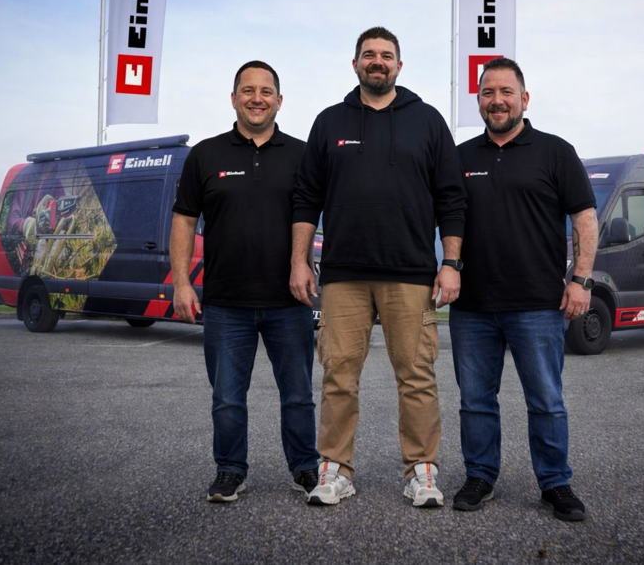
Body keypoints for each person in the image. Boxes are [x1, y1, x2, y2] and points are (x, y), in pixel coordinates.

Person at [290, 27, 467, 508]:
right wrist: (300, 261)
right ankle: (335, 470)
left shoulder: (427, 121)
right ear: (355, 65)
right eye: (369, 55)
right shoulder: (329, 122)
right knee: (338, 374)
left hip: (410, 273)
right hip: (343, 274)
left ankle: (422, 472)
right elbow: (306, 198)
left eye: (386, 56)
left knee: (416, 374)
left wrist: (450, 262)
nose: (377, 62)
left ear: (399, 66)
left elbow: (452, 198)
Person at [450, 57, 598, 522]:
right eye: (488, 93)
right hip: (472, 305)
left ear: (524, 99)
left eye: (506, 92)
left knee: (546, 401)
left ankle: (555, 483)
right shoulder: (460, 157)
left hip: (537, 304)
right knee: (475, 400)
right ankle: (480, 476)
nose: (497, 101)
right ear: (479, 101)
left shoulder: (555, 152)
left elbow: (585, 220)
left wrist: (580, 279)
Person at [170, 61, 320, 503]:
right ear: (233, 97)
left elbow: (312, 214)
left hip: (288, 302)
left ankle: (305, 467)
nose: (258, 98)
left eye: (266, 90)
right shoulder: (205, 154)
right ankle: (230, 470)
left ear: (279, 99)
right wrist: (182, 283)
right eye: (248, 90)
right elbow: (183, 220)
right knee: (228, 398)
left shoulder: (302, 155)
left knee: (298, 395)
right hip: (225, 302)